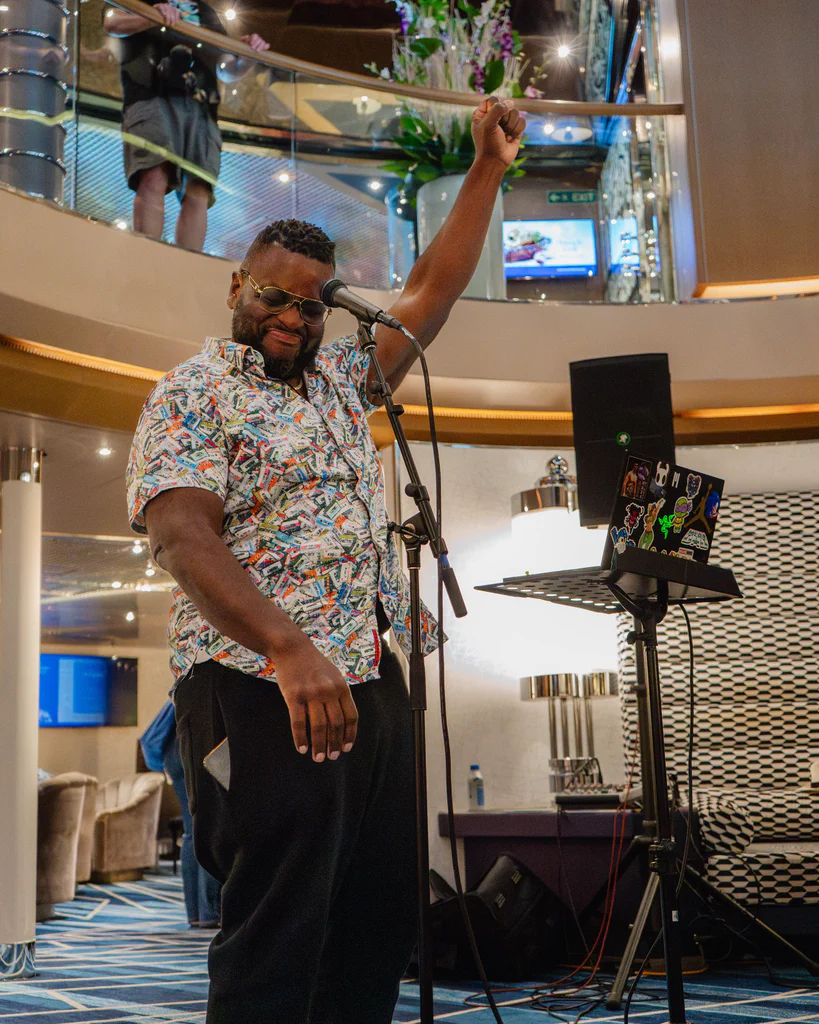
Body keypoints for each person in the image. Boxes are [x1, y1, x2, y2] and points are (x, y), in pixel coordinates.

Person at [126, 97, 525, 1024]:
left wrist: (487, 171)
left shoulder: (346, 380)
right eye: (274, 294)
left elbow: (430, 288)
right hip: (254, 682)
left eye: (310, 304)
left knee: (374, 920)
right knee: (278, 923)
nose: (291, 316)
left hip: (371, 680)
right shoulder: (194, 391)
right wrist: (289, 647)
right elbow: (184, 536)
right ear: (236, 286)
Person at [104, 0, 270, 250]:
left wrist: (249, 55)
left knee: (198, 189)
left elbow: (226, 69)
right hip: (150, 96)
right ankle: (145, 260)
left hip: (201, 106)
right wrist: (152, 16)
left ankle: (186, 267)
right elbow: (112, 22)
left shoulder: (207, 13)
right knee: (153, 176)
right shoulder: (142, 1)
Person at [140, 699, 222, 927]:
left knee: (192, 832)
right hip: (198, 751)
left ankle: (196, 913)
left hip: (174, 754)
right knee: (210, 828)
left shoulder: (183, 677)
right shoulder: (211, 677)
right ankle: (211, 912)